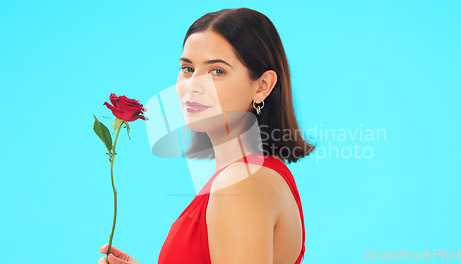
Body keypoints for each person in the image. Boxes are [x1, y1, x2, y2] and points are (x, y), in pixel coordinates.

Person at [98, 7, 315, 264]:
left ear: (262, 86)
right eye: (188, 68)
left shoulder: (241, 183)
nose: (192, 85)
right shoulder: (259, 175)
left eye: (217, 71)